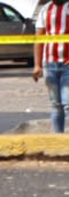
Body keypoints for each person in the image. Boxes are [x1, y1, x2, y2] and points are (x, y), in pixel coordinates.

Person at [34, 0, 69, 133]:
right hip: (50, 64)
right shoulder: (45, 10)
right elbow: (39, 39)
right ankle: (58, 138)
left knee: (67, 104)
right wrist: (37, 65)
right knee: (55, 104)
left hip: (67, 64)